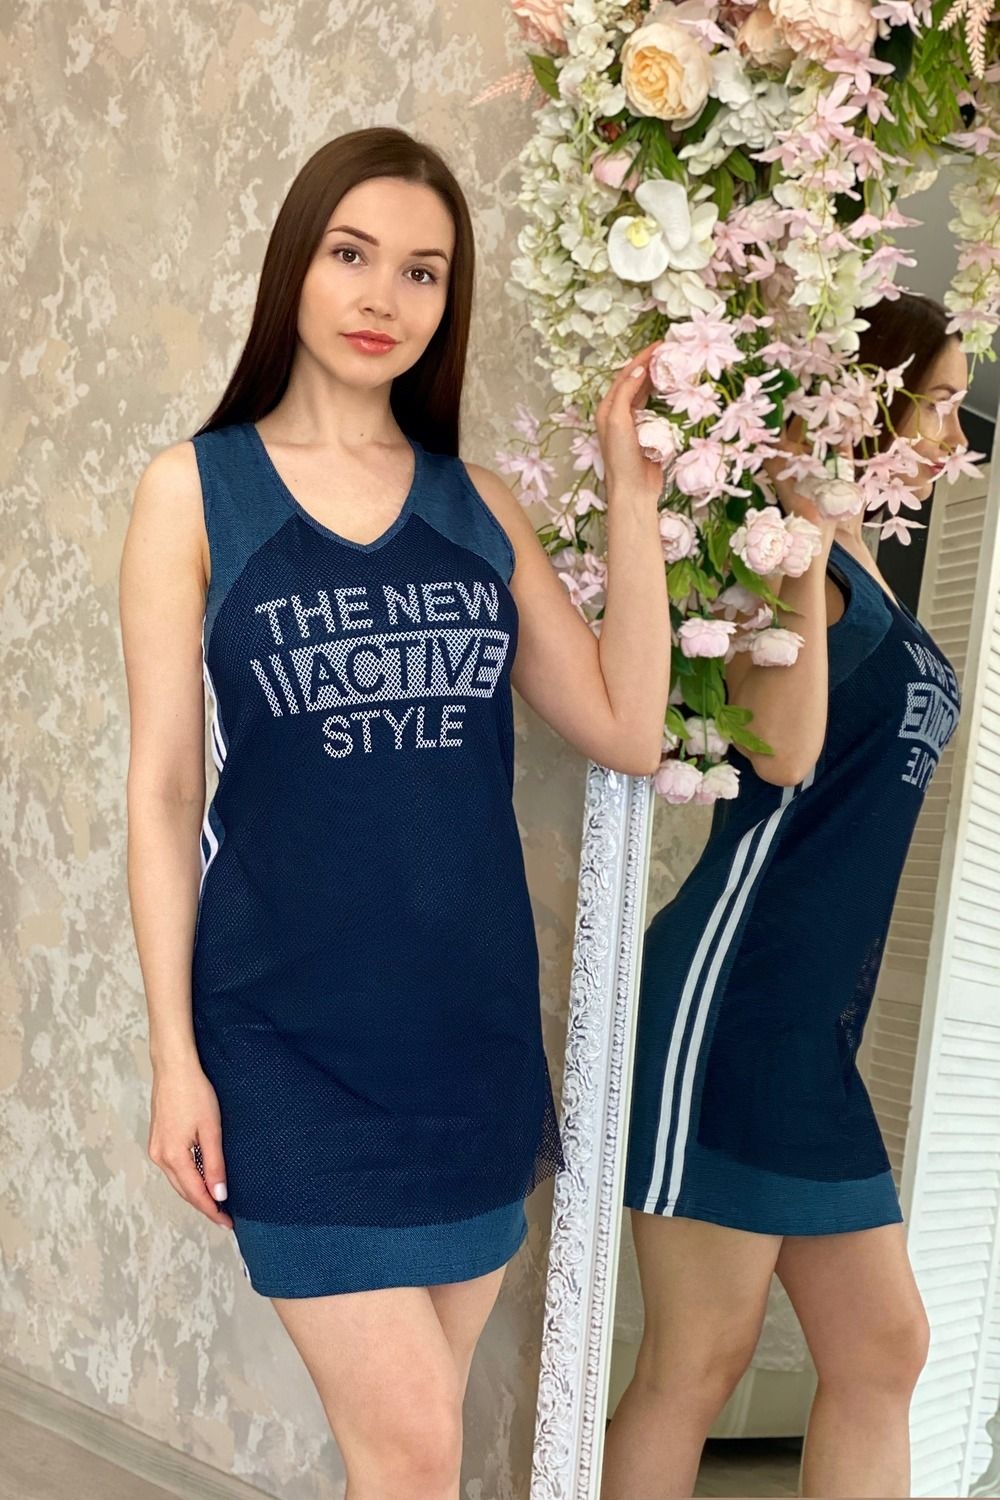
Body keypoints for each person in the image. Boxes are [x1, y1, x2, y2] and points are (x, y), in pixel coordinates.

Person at [118, 125, 670, 1499]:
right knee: (418, 1452)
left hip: (468, 1045)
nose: (385, 298)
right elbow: (166, 791)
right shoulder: (196, 491)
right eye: (352, 254)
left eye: (423, 272)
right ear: (295, 268)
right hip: (286, 1045)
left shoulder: (475, 508)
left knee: (405, 1464)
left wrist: (633, 497)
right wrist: (175, 1058)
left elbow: (624, 726)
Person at [603, 291, 969, 1500]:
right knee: (696, 1361)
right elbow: (783, 756)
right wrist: (803, 540)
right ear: (872, 396)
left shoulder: (864, 568)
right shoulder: (787, 556)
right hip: (730, 1004)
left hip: (815, 1037)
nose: (952, 437)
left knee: (882, 1349)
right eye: (939, 404)